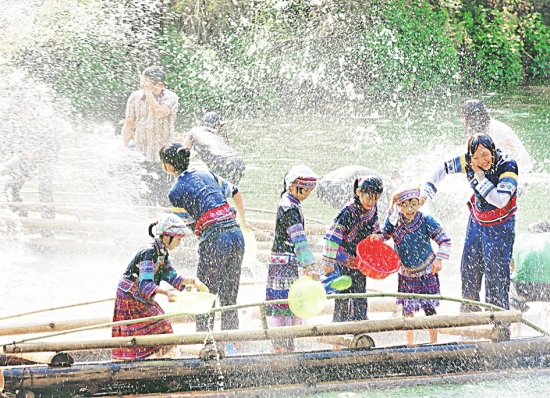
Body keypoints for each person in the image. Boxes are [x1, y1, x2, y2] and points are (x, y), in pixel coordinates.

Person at [420, 133, 518, 312]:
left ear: (493, 150)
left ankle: (499, 324)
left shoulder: (507, 165)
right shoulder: (468, 161)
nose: (482, 160)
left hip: (500, 226)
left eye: (485, 154)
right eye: (476, 157)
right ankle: (469, 315)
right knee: (469, 269)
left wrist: (479, 175)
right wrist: (425, 193)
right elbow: (442, 168)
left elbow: (500, 200)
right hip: (477, 220)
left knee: (495, 275)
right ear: (471, 156)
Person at [159, 143, 246, 333]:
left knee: (205, 294)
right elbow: (236, 192)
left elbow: (191, 224)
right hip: (237, 236)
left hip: (216, 240)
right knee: (229, 295)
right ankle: (232, 342)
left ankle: (205, 341)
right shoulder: (206, 173)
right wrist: (242, 222)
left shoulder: (175, 192)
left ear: (168, 166)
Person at [111, 214, 208, 360]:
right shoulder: (149, 253)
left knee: (158, 325)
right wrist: (166, 293)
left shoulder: (162, 253)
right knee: (159, 324)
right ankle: (146, 358)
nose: (179, 243)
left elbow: (173, 277)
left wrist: (192, 282)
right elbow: (145, 284)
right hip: (130, 297)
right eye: (178, 239)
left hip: (140, 296)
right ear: (167, 237)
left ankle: (151, 357)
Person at [381, 185, 451, 345]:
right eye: (405, 205)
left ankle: (434, 342)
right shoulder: (394, 222)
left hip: (426, 270)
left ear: (419, 203)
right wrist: (377, 236)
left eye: (413, 204)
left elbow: (445, 240)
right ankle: (410, 343)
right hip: (406, 272)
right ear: (398, 206)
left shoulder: (425, 220)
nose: (409, 209)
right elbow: (383, 235)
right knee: (407, 310)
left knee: (429, 308)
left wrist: (439, 259)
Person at [265, 165, 319, 353]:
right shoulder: (289, 208)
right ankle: (283, 345)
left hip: (285, 260)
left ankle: (284, 344)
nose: (307, 195)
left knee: (287, 301)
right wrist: (309, 266)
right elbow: (299, 238)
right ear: (293, 187)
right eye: (305, 191)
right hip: (284, 262)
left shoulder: (291, 203)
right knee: (285, 301)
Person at [321, 176, 384, 322]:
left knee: (360, 291)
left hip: (360, 259)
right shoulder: (347, 212)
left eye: (376, 198)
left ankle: (360, 323)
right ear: (358, 192)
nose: (372, 202)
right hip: (343, 258)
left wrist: (377, 236)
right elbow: (332, 238)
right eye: (369, 197)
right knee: (343, 292)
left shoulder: (373, 209)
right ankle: (339, 325)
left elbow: (375, 228)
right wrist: (328, 262)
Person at [121, 66, 179, 207]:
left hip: (165, 158)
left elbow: (159, 113)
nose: (142, 85)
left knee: (166, 197)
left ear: (159, 85)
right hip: (142, 155)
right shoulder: (135, 96)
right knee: (142, 197)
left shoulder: (170, 97)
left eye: (145, 82)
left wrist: (148, 94)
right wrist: (122, 147)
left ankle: (168, 226)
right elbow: (129, 123)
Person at [1, 99, 60, 226]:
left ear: (28, 109)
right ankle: (22, 219)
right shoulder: (17, 123)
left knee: (44, 186)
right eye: (14, 114)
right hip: (27, 157)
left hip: (46, 158)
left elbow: (53, 144)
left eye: (19, 113)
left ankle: (48, 224)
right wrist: (10, 152)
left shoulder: (43, 121)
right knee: (10, 187)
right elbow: (14, 139)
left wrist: (35, 153)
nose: (17, 117)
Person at [461, 99, 533, 173]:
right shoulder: (480, 133)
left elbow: (515, 155)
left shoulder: (498, 128)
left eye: (463, 117)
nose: (462, 121)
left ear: (470, 118)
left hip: (522, 170)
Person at [179, 112, 245, 186]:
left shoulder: (194, 131)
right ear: (216, 125)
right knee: (230, 191)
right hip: (238, 161)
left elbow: (184, 152)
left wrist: (180, 144)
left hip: (221, 162)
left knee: (215, 193)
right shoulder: (218, 135)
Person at [509, 220, 550, 311]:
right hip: (548, 288)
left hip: (523, 287)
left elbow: (512, 267)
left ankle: (514, 320)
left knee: (512, 299)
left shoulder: (520, 239)